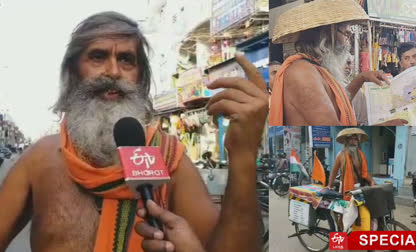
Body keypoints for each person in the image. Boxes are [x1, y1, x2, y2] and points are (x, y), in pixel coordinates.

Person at [0, 12, 268, 252]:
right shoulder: (40, 158)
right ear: (73, 71)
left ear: (140, 78)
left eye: (126, 60)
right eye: (98, 56)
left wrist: (243, 155)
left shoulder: (168, 157)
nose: (113, 71)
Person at [269, 0, 407, 126]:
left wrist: (361, 78)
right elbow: (332, 130)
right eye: (346, 34)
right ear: (328, 33)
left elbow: (338, 104)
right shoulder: (302, 72)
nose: (349, 42)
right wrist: (383, 126)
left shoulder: (314, 68)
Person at [326, 128, 375, 231]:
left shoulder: (361, 155)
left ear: (358, 141)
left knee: (362, 213)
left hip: (359, 187)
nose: (353, 141)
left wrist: (371, 181)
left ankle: (356, 231)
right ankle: (342, 233)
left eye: (355, 139)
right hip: (345, 189)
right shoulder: (341, 155)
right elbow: (334, 172)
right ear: (346, 141)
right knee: (345, 214)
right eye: (351, 139)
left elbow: (365, 173)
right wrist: (329, 185)